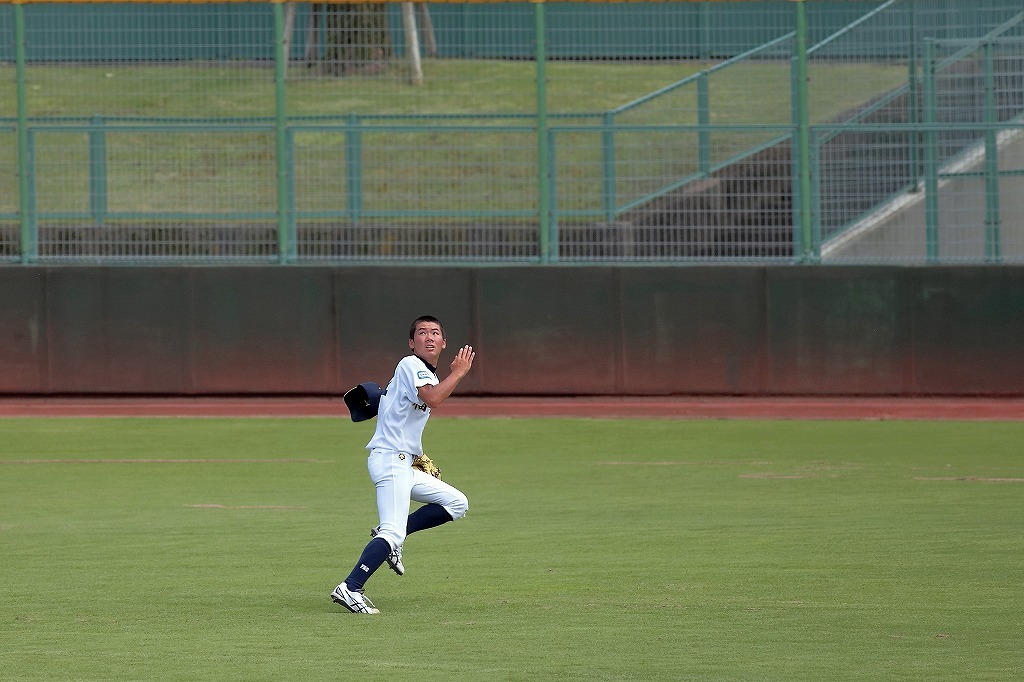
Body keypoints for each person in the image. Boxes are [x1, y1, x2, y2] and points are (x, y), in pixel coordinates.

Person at [331, 315, 476, 614]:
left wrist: (418, 456)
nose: (429, 337)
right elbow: (433, 399)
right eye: (422, 333)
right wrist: (459, 373)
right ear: (412, 343)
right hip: (390, 462)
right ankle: (350, 587)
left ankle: (391, 538)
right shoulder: (410, 365)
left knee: (456, 503)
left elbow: (399, 418)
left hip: (402, 463)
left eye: (435, 333)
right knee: (392, 532)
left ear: (444, 343)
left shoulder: (425, 374)